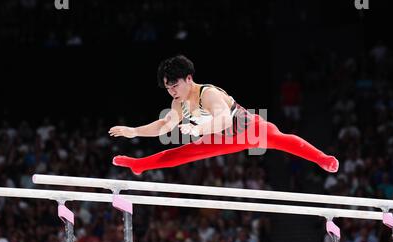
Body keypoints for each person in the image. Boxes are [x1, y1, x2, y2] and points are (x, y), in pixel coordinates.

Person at [109, 55, 338, 175]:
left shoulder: (207, 93)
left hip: (246, 129)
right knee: (183, 152)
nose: (172, 91)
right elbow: (165, 126)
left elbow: (224, 119)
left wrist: (198, 129)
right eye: (168, 88)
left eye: (175, 85)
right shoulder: (177, 102)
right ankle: (140, 165)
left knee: (282, 140)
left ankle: (323, 159)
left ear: (189, 78)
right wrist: (134, 131)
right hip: (219, 138)